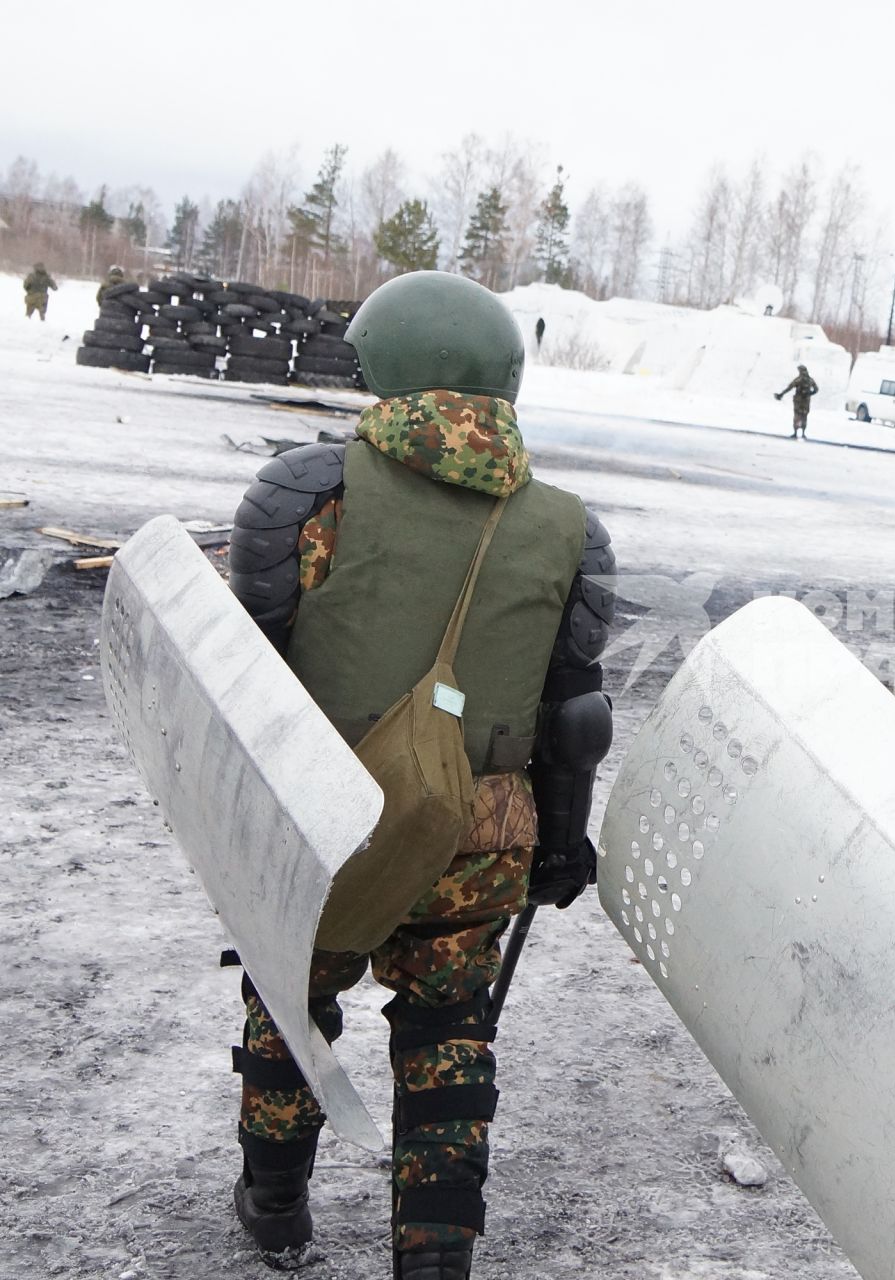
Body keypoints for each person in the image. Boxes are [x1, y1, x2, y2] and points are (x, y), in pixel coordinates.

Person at [223, 270, 617, 1277]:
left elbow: (243, 677)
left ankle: (274, 1205)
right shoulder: (570, 527)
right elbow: (572, 718)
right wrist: (561, 845)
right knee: (449, 1032)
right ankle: (434, 1259)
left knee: (290, 998)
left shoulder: (310, 490)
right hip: (477, 834)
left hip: (327, 822)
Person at [774, 363, 817, 439]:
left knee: (797, 416)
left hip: (798, 400)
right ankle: (803, 433)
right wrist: (809, 394)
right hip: (806, 401)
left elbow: (789, 387)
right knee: (804, 416)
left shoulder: (798, 379)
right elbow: (816, 389)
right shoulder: (811, 380)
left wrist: (781, 394)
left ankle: (795, 433)